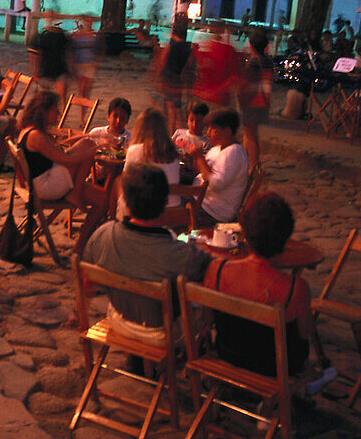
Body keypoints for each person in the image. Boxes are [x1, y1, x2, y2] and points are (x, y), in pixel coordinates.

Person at [82, 164, 210, 343]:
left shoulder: (103, 235)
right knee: (206, 307)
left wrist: (78, 315)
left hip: (119, 319)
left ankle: (140, 362)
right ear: (166, 202)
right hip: (161, 333)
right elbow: (213, 277)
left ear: (126, 199)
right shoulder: (182, 255)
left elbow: (87, 283)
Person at [204, 193, 310, 377]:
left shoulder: (217, 270)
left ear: (244, 232)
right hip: (276, 368)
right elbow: (305, 333)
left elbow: (207, 319)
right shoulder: (295, 288)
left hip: (228, 353)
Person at [17, 91, 101, 221]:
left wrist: (85, 137)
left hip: (40, 183)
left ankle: (75, 192)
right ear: (44, 112)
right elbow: (66, 160)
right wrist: (96, 149)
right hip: (45, 188)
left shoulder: (28, 130)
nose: (58, 114)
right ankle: (76, 193)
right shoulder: (36, 136)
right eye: (55, 111)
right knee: (89, 147)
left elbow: (54, 151)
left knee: (86, 142)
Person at [187, 108, 249, 225]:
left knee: (169, 201)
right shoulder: (216, 149)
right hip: (200, 199)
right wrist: (195, 158)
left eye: (213, 129)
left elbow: (216, 184)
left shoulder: (234, 153)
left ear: (227, 132)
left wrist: (200, 158)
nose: (208, 133)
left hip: (213, 211)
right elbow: (201, 171)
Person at [124, 107, 180, 206]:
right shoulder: (173, 151)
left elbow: (126, 178)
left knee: (117, 182)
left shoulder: (136, 150)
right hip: (174, 208)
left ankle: (116, 218)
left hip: (147, 210)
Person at [238, 27, 273, 171]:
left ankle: (253, 166)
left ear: (251, 45)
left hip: (251, 101)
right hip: (263, 101)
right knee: (250, 134)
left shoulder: (253, 62)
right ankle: (249, 164)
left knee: (250, 136)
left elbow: (246, 81)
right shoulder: (268, 61)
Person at [158, 20, 193, 132]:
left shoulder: (172, 46)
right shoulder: (188, 48)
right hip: (180, 80)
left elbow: (163, 62)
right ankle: (180, 129)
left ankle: (171, 131)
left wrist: (159, 77)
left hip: (169, 79)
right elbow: (189, 65)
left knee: (170, 107)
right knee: (177, 107)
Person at [193, 23, 241, 106]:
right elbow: (234, 76)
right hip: (218, 98)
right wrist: (217, 91)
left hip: (201, 95)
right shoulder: (229, 50)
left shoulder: (202, 46)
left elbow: (197, 69)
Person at [29, 13, 70, 101]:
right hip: (45, 70)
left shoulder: (62, 35)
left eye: (51, 17)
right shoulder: (40, 36)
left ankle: (62, 113)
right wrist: (35, 73)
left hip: (60, 70)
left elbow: (68, 52)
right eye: (47, 17)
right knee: (44, 97)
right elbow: (33, 55)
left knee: (61, 94)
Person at [70, 15, 100, 112]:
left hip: (90, 65)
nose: (88, 23)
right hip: (80, 64)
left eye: (90, 21)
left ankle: (83, 115)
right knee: (81, 91)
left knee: (86, 91)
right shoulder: (78, 35)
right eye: (87, 21)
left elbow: (99, 49)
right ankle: (81, 116)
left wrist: (97, 60)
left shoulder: (95, 36)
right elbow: (72, 48)